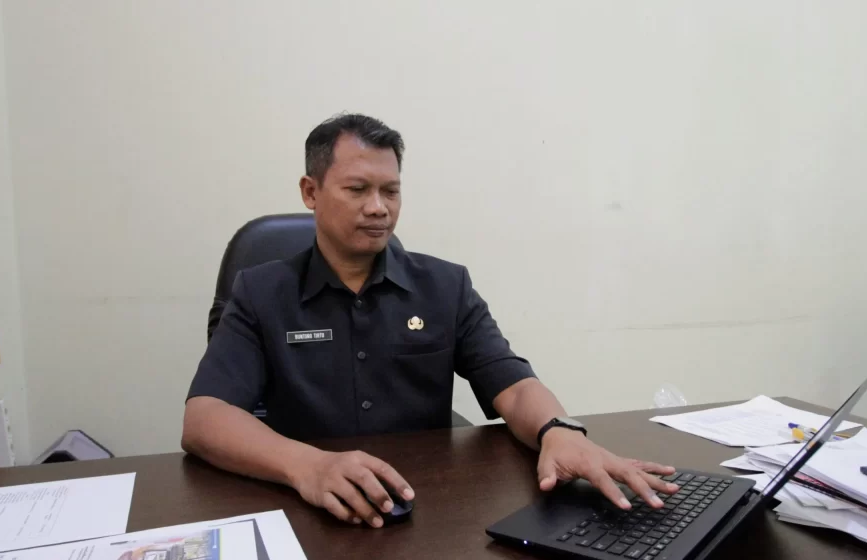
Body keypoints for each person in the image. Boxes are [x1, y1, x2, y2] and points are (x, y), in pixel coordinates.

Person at [182, 113, 678, 528]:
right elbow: (204, 418)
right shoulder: (261, 291)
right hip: (306, 507)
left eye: (390, 191)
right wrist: (307, 466)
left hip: (425, 509)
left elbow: (511, 383)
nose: (378, 208)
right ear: (310, 192)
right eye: (357, 189)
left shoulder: (445, 286)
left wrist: (559, 430)